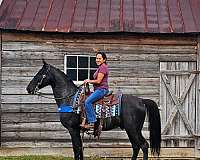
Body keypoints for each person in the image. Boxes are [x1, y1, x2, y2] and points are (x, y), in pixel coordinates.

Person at [80, 51, 109, 129]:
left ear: (104, 59)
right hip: (98, 89)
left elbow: (98, 81)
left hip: (101, 89)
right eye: (96, 58)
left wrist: (88, 81)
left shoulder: (103, 67)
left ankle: (92, 122)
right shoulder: (100, 67)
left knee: (88, 102)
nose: (97, 60)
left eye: (99, 58)